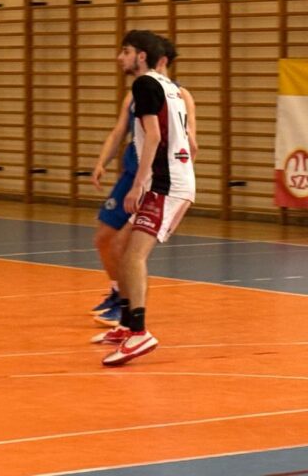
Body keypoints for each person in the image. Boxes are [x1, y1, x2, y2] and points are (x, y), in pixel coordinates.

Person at [91, 30, 196, 366]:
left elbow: (153, 136)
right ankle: (126, 324)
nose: (119, 58)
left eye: (126, 52)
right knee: (122, 246)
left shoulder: (144, 85)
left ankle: (139, 332)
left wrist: (138, 185)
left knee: (134, 255)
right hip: (169, 180)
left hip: (166, 184)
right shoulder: (170, 87)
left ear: (141, 56)